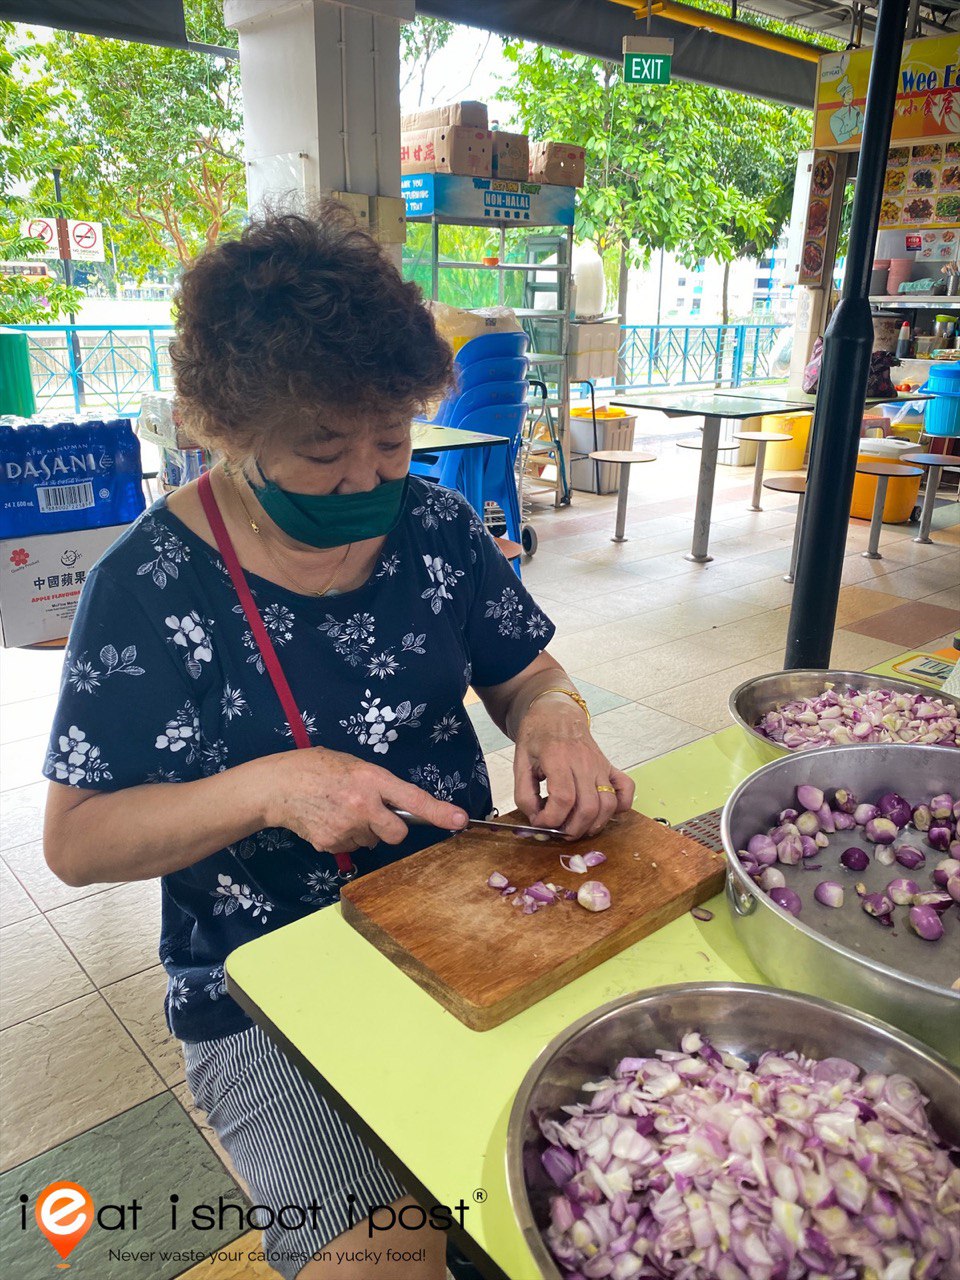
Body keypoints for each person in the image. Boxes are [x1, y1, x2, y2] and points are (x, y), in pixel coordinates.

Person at [42, 205, 634, 1279]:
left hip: (475, 919)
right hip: (265, 983)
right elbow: (78, 841)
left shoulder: (437, 526)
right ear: (222, 428)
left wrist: (555, 717)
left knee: (592, 1184)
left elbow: (526, 671)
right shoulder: (148, 585)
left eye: (392, 439)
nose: (367, 477)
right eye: (322, 448)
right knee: (382, 1260)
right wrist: (270, 787)